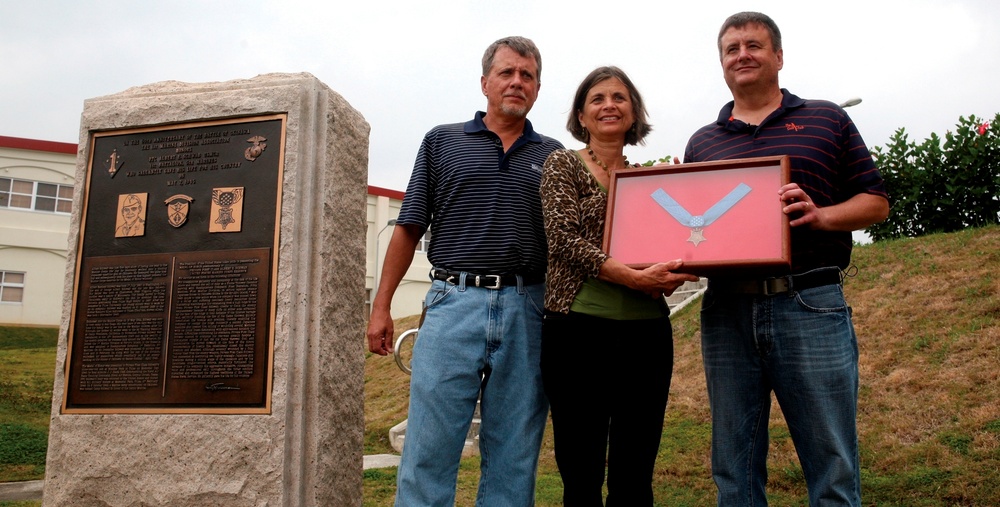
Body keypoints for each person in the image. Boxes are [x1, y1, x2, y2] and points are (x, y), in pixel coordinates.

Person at [683, 12, 890, 506]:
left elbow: (876, 203)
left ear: (778, 56)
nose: (742, 55)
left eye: (753, 45)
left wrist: (821, 216)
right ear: (722, 64)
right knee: (733, 466)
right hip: (726, 311)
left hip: (811, 301)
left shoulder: (827, 118)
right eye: (731, 49)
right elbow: (694, 232)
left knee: (832, 463)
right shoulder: (702, 142)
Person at [366, 36, 564, 506]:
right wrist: (381, 307)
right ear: (484, 83)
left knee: (515, 454)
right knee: (429, 450)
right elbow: (409, 226)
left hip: (527, 309)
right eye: (507, 73)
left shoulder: (554, 156)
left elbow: (567, 241)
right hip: (452, 305)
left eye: (528, 75)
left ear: (537, 88)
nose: (517, 82)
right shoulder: (441, 141)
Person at [540, 66, 699, 506]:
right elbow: (563, 239)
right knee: (581, 468)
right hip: (576, 331)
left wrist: (686, 198)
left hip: (646, 334)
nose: (609, 104)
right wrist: (632, 276)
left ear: (633, 114)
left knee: (635, 471)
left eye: (619, 97)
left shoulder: (653, 181)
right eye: (597, 98)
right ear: (582, 116)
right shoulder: (562, 164)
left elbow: (680, 244)